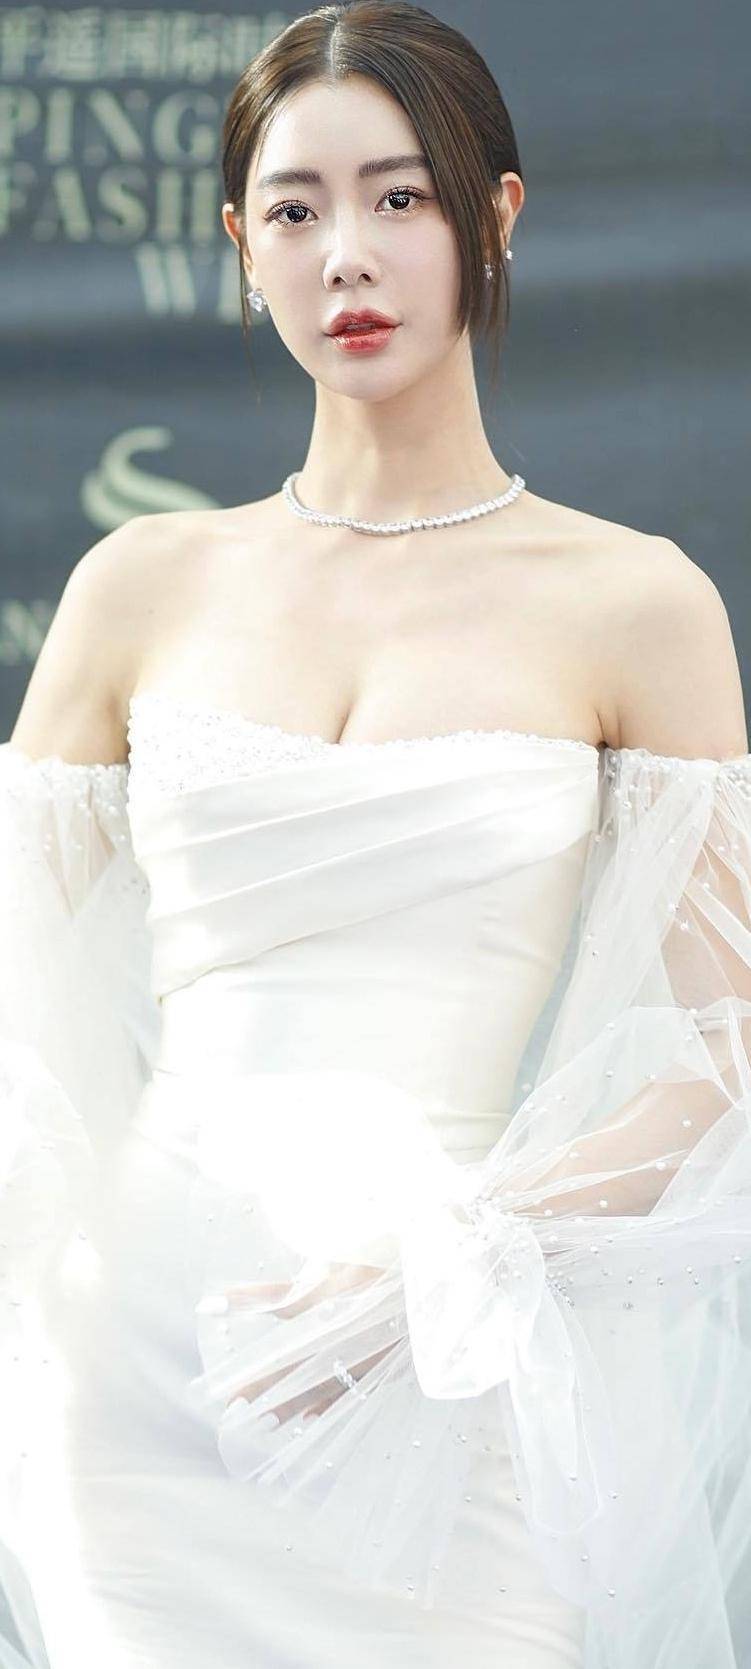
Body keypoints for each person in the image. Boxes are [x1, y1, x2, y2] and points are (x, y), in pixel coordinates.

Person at [1, 3, 750, 1666]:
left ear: (497, 214)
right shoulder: (142, 586)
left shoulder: (636, 602)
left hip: (448, 1369)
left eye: (400, 197)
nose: (347, 251)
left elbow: (726, 1054)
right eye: (295, 208)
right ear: (239, 245)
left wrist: (448, 1261)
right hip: (142, 1380)